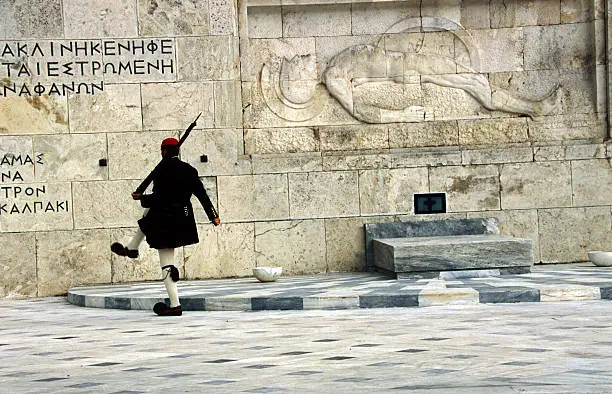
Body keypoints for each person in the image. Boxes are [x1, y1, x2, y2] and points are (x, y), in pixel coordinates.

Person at [111, 137, 220, 316]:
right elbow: (201, 194)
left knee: (166, 262)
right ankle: (132, 248)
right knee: (147, 218)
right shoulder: (189, 170)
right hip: (184, 219)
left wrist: (142, 198)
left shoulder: (162, 171)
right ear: (177, 151)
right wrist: (213, 216)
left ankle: (175, 304)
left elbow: (160, 197)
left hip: (166, 221)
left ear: (163, 151)